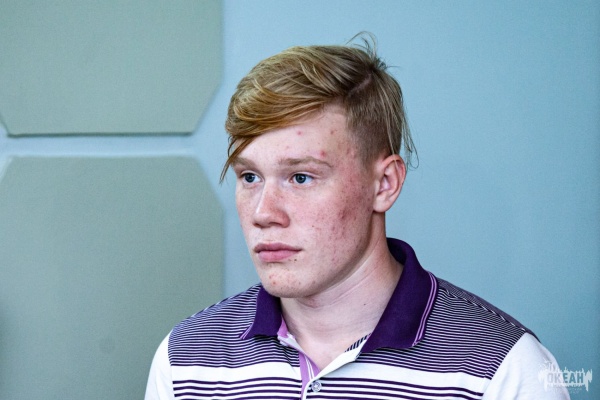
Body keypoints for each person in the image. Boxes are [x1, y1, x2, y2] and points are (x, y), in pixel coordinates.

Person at [145, 36, 569, 399]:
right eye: (250, 177)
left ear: (384, 184)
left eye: (301, 177)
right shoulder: (185, 362)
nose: (263, 213)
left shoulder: (503, 370)